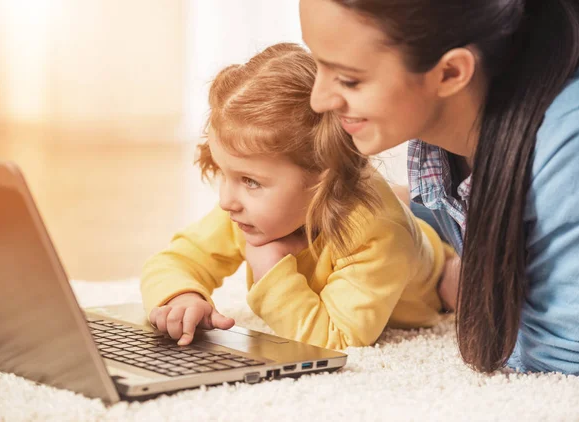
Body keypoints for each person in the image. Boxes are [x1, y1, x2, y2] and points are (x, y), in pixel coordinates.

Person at [299, 0, 579, 378]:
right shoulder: (443, 135)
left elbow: (570, 361)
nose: (318, 99)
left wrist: (468, 285)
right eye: (318, 62)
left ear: (451, 72)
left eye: (349, 78)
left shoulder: (578, 134)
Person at [140, 43, 454, 350]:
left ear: (322, 179)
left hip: (433, 273)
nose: (226, 201)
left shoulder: (375, 234)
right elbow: (175, 260)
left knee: (471, 295)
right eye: (226, 174)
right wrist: (180, 297)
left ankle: (431, 219)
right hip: (381, 218)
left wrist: (270, 271)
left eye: (250, 181)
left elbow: (338, 340)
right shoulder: (244, 211)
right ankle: (408, 200)